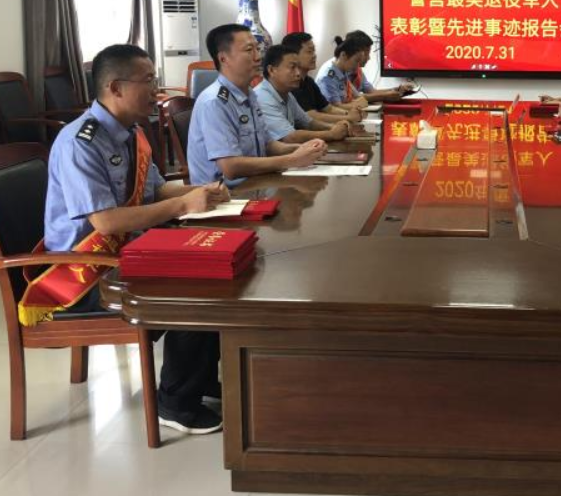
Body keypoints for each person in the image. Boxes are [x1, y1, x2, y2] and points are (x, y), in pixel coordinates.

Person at [43, 44, 230, 434]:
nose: (156, 89)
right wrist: (183, 206)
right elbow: (106, 222)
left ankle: (197, 378)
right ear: (115, 87)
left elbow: (155, 191)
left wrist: (200, 191)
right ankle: (175, 404)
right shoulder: (81, 142)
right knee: (193, 288)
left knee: (218, 262)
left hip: (127, 252)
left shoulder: (133, 133)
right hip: (84, 273)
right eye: (148, 80)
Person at [187, 24, 327, 186]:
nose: (258, 57)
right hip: (225, 194)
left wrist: (303, 149)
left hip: (256, 183)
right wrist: (292, 160)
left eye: (257, 49)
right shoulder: (215, 102)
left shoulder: (250, 94)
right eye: (249, 50)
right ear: (223, 58)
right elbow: (230, 167)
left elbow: (267, 145)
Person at [255, 44, 354, 143]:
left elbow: (308, 122)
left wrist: (334, 127)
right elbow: (290, 137)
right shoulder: (262, 97)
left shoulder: (287, 94)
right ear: (271, 70)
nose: (298, 73)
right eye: (292, 67)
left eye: (298, 67)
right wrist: (331, 134)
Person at [282, 32, 362, 123]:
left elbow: (328, 108)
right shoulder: (292, 84)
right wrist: (348, 118)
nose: (314, 55)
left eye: (314, 51)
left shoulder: (309, 81)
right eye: (309, 51)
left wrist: (348, 113)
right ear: (293, 55)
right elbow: (311, 115)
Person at [340, 30, 416, 102]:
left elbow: (372, 92)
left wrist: (398, 89)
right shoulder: (340, 71)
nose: (369, 58)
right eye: (366, 54)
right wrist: (385, 96)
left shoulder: (358, 71)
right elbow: (355, 97)